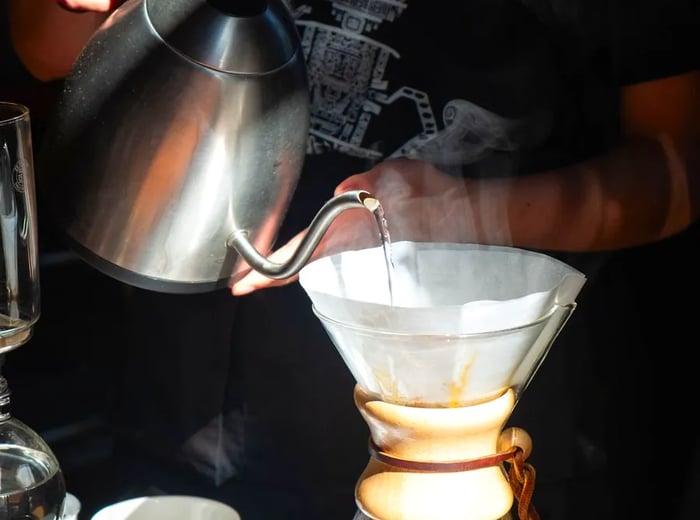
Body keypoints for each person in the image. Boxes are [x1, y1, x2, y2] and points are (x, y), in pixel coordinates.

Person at [7, 1, 700, 519]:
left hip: (463, 435)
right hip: (195, 411)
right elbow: (47, 47)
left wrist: (465, 215)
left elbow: (677, 175)